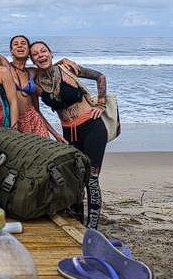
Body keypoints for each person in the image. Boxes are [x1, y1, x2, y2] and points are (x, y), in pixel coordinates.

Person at [30, 40, 109, 229]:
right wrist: (54, 132)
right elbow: (36, 110)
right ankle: (78, 222)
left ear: (51, 53)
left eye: (43, 51)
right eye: (36, 54)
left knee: (91, 177)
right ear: (32, 59)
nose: (41, 55)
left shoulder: (67, 68)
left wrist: (101, 104)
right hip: (68, 133)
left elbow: (100, 77)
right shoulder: (37, 82)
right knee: (74, 178)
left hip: (92, 127)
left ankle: (93, 227)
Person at [8, 35, 66, 141]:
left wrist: (56, 134)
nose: (20, 45)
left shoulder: (33, 72)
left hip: (34, 119)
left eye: (23, 43)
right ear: (11, 51)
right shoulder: (5, 68)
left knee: (46, 153)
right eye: (15, 44)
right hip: (15, 121)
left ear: (29, 52)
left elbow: (49, 67)